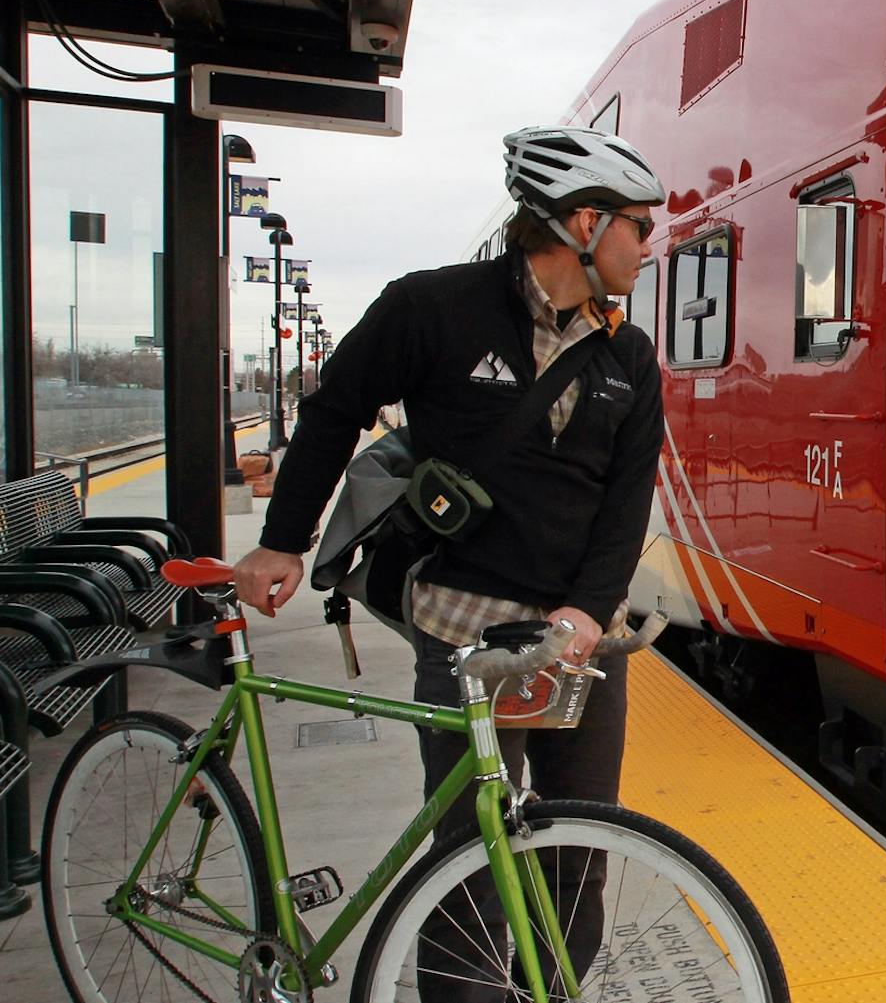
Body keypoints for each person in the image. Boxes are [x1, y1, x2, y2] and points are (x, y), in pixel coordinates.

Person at [233, 124, 666, 999]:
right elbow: (335, 407)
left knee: (579, 862)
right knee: (471, 866)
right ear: (583, 222)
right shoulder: (434, 307)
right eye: (639, 225)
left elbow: (627, 504)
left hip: (581, 643)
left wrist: (587, 612)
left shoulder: (629, 356)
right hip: (465, 634)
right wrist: (284, 537)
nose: (648, 245)